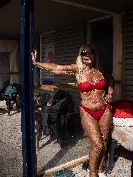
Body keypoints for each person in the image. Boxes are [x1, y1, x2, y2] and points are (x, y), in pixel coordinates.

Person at [32, 44, 115, 177]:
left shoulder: (100, 70)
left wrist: (110, 93)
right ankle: (92, 173)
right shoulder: (77, 70)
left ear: (94, 55)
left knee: (104, 141)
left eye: (90, 52)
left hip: (105, 110)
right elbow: (56, 68)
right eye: (84, 53)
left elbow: (111, 80)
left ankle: (100, 169)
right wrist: (36, 63)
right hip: (88, 111)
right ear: (80, 56)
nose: (87, 55)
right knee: (98, 144)